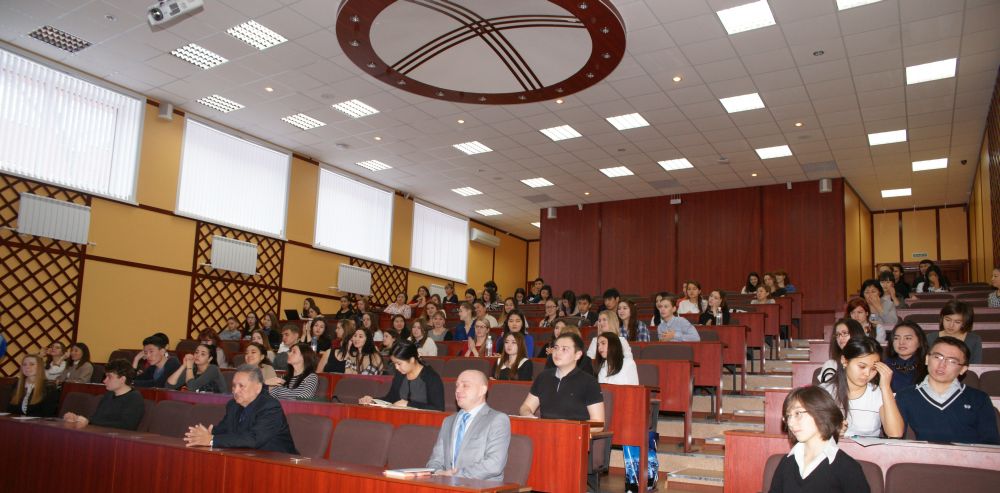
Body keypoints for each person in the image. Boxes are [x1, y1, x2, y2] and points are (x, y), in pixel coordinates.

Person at [520, 332, 605, 490]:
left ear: (577, 355)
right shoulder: (543, 377)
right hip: (544, 436)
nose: (557, 352)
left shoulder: (589, 382)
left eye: (564, 349)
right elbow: (525, 407)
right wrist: (529, 416)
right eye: (556, 348)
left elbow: (598, 423)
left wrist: (569, 430)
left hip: (572, 440)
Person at [895, 337, 1000, 445]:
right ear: (927, 359)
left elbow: (990, 445)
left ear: (963, 369)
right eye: (937, 357)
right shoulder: (906, 395)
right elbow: (896, 438)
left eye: (952, 361)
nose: (942, 365)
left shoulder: (979, 399)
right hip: (924, 455)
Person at [768, 386, 870, 493]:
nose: (791, 423)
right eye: (788, 416)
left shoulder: (848, 468)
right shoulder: (787, 463)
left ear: (821, 413)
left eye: (798, 413)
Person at [184, 365, 298, 453]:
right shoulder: (233, 405)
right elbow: (225, 429)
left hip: (280, 464)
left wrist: (212, 440)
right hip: (248, 458)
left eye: (241, 386)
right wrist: (208, 433)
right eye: (234, 386)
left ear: (258, 387)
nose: (235, 391)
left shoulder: (270, 407)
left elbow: (254, 439)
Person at [426, 369, 511, 480]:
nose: (458, 390)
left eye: (465, 385)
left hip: (481, 486)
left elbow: (494, 465)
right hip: (446, 485)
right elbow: (435, 460)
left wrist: (456, 475)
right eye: (457, 386)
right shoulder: (448, 421)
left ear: (482, 390)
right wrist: (438, 472)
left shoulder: (497, 420)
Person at [594, 332, 649, 491]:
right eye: (598, 344)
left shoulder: (628, 364)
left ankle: (633, 480)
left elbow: (633, 392)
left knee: (629, 433)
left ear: (613, 345)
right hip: (608, 411)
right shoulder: (603, 366)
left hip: (627, 410)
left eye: (603, 343)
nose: (599, 348)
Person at [820, 338, 904, 438]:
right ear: (844, 361)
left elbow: (895, 433)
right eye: (862, 367)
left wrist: (886, 387)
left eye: (873, 369)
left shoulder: (878, 393)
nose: (867, 373)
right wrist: (831, 431)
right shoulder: (824, 392)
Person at [360, 341, 445, 411]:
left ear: (412, 360)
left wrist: (408, 404)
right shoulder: (400, 374)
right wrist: (373, 400)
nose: (396, 367)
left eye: (399, 364)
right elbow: (391, 399)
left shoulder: (431, 377)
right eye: (394, 364)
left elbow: (438, 408)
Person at [64, 359, 145, 430]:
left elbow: (126, 426)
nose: (104, 381)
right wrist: (77, 419)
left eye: (109, 377)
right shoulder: (109, 395)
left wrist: (88, 422)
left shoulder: (134, 398)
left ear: (122, 379)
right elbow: (97, 418)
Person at [926, 300, 983, 364]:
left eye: (957, 322)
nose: (951, 325)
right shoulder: (930, 338)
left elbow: (975, 366)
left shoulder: (974, 340)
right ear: (942, 318)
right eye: (947, 320)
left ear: (964, 323)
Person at [883, 321, 928, 393]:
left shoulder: (928, 366)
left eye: (908, 338)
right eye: (896, 338)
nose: (901, 342)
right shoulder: (884, 366)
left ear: (919, 342)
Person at [818, 319, 866, 384]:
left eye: (845, 333)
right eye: (837, 334)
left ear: (856, 334)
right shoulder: (831, 365)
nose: (840, 338)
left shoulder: (870, 362)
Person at [861, 279, 895, 344]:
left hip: (887, 338)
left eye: (873, 291)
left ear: (880, 292)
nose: (870, 295)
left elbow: (892, 323)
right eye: (867, 292)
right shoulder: (860, 308)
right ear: (863, 294)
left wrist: (878, 307)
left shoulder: (889, 305)